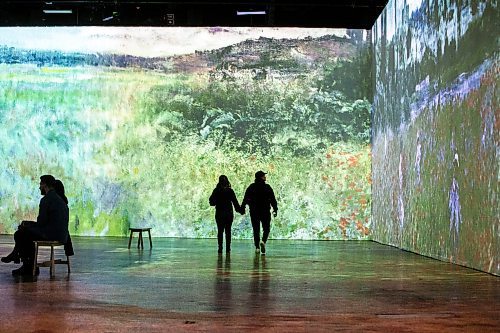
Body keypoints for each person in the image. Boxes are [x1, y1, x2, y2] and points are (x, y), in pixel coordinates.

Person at [1, 175, 69, 276]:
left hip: (51, 234)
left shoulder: (46, 199)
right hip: (62, 235)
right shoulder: (60, 199)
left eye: (40, 184)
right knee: (25, 232)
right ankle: (25, 263)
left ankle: (28, 267)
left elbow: (41, 223)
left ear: (44, 185)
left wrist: (27, 225)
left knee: (21, 234)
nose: (39, 187)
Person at [241, 171, 278, 255]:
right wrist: (275, 209)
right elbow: (272, 199)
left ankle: (257, 247)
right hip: (265, 211)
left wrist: (242, 208)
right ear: (261, 177)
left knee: (256, 229)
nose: (265, 177)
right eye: (264, 176)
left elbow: (246, 198)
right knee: (266, 228)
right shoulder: (267, 187)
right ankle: (263, 241)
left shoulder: (251, 187)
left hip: (254, 211)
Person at [209, 175, 242, 254]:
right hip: (229, 214)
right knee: (228, 231)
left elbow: (211, 202)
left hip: (219, 213)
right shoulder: (230, 191)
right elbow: (235, 203)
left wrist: (217, 201)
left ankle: (220, 248)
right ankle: (228, 248)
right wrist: (240, 210)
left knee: (220, 231)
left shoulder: (216, 190)